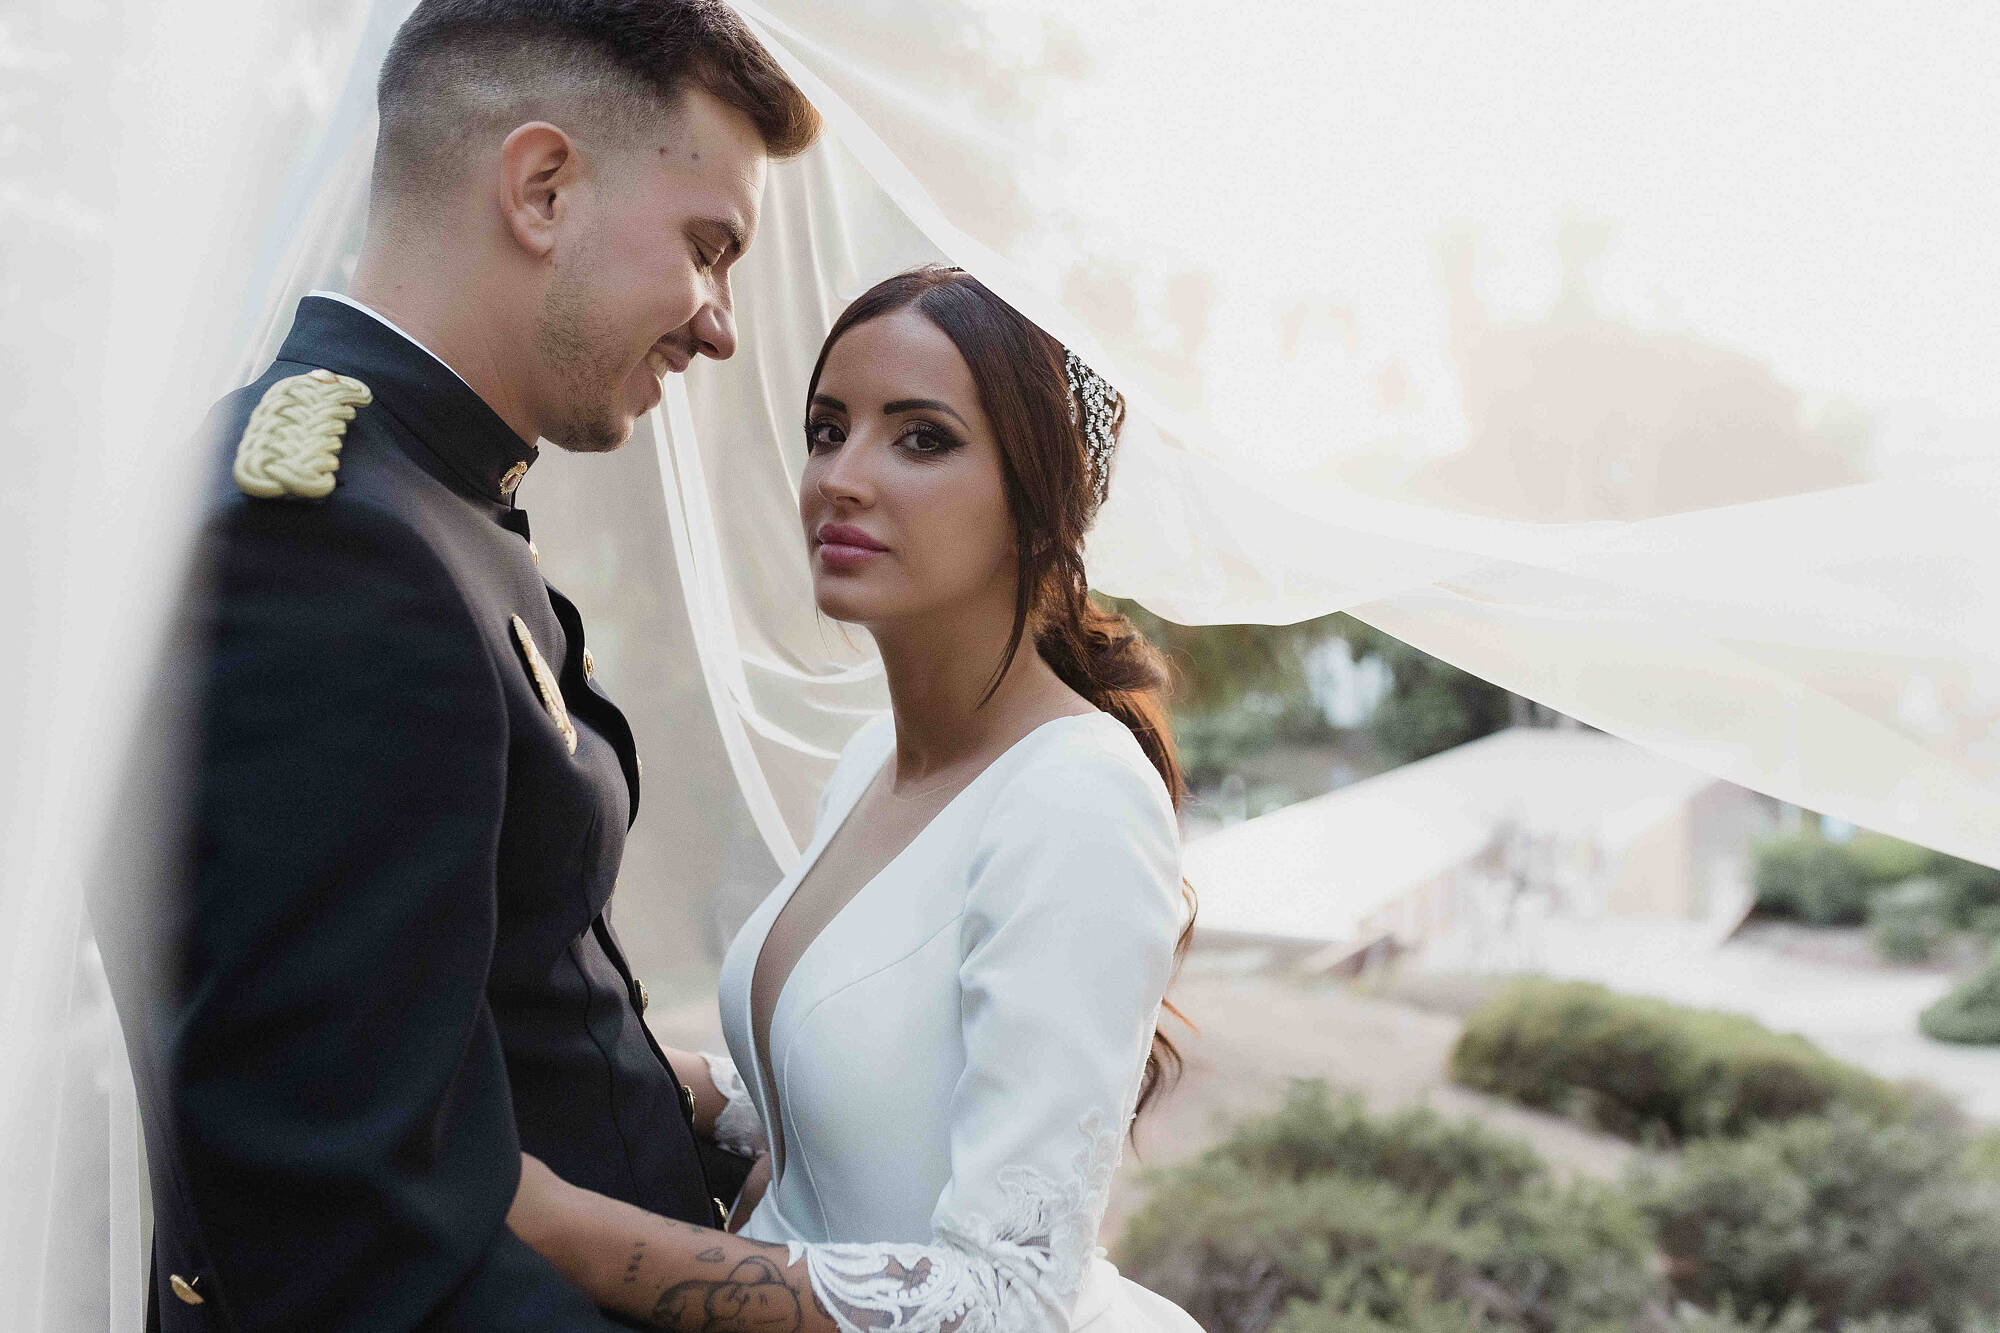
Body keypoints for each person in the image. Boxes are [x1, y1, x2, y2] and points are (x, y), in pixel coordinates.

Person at [90, 3, 818, 1329]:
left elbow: (493, 1014)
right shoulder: (324, 546)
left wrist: (709, 1120)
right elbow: (348, 1223)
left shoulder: (423, 498)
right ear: (541, 189)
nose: (718, 326)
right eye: (708, 250)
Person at [505, 266, 1204, 1332]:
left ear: (1037, 502)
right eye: (827, 429)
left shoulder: (1075, 801)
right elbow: (856, 1101)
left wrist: (563, 1228)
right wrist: (550, 1046)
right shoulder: (870, 759)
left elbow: (1007, 1300)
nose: (841, 476)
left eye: (920, 438)